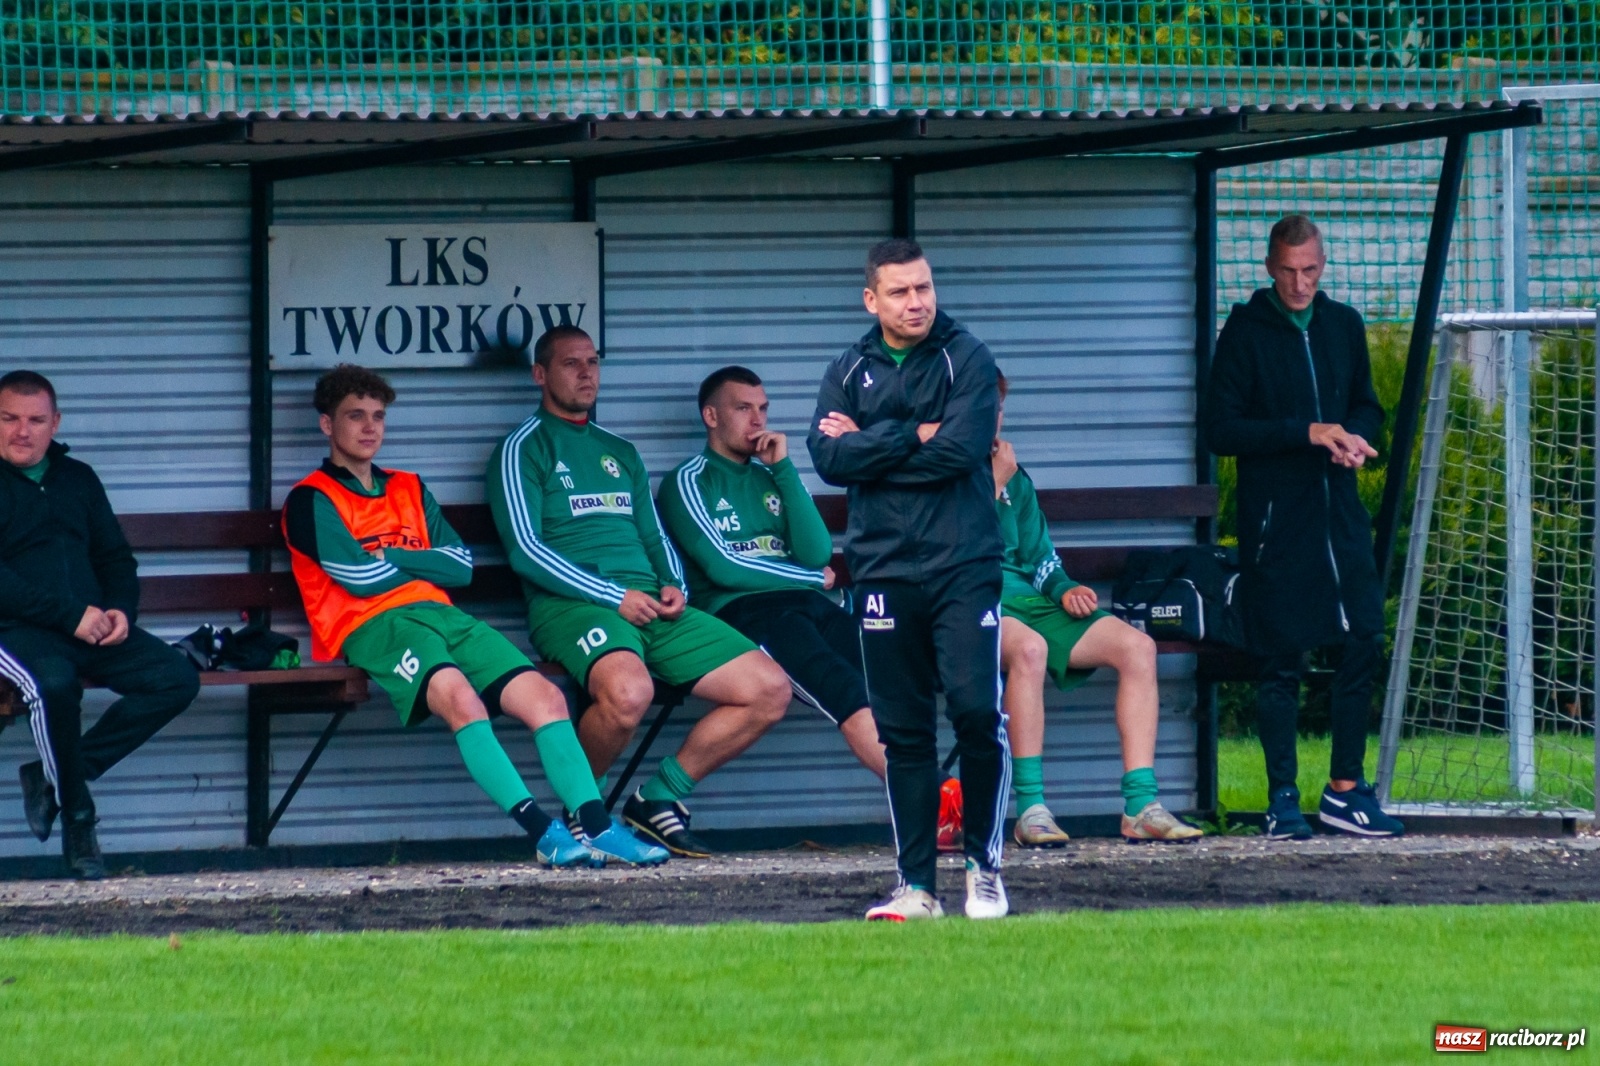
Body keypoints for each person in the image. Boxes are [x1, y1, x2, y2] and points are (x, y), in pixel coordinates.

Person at [284, 363, 666, 868]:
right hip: (374, 626)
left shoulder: (409, 486)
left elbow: (461, 566)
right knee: (463, 700)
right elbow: (356, 579)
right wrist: (420, 564)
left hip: (444, 616)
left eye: (378, 416)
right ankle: (544, 832)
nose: (370, 427)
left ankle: (595, 825)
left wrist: (392, 557)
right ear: (327, 426)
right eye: (355, 416)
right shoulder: (310, 498)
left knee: (546, 698)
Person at [487, 328, 793, 858]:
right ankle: (586, 816)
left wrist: (674, 584)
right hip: (573, 605)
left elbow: (653, 536)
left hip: (652, 605)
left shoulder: (620, 450)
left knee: (768, 689)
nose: (586, 374)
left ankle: (658, 799)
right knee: (630, 693)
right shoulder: (523, 448)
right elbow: (527, 552)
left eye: (593, 363)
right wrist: (611, 595)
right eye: (570, 364)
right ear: (540, 375)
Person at [808, 238, 1011, 921]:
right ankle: (917, 886)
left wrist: (874, 445)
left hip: (964, 567)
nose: (917, 301)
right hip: (884, 569)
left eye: (923, 287)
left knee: (978, 713)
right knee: (904, 732)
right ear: (872, 300)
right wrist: (909, 435)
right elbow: (829, 460)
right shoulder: (848, 366)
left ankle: (984, 868)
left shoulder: (969, 358)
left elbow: (960, 450)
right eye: (900, 292)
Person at [1203, 213, 1403, 840]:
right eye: (1289, 272)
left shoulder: (1343, 324)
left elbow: (1367, 405)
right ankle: (1282, 800)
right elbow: (1222, 429)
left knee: (1362, 638)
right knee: (1280, 659)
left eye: (1310, 270)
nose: (1300, 284)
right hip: (1276, 523)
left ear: (1323, 265)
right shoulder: (1244, 333)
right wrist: (1306, 433)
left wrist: (1356, 439)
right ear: (1269, 267)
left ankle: (1347, 789)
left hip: (1339, 517)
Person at [1, 370, 201, 879]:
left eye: (35, 420)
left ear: (55, 424)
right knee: (55, 685)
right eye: (8, 419)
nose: (22, 431)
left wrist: (119, 612)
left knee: (175, 678)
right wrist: (72, 616)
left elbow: (115, 557)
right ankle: (80, 819)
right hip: (15, 630)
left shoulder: (79, 478)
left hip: (91, 627)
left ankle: (58, 778)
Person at [988, 370, 1202, 846]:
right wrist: (990, 485)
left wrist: (1063, 588)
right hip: (974, 601)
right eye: (981, 407)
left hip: (1029, 602)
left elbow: (1038, 557)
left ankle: (1141, 806)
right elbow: (952, 548)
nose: (992, 419)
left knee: (1137, 647)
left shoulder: (1015, 477)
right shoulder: (944, 471)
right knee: (1029, 651)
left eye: (997, 408)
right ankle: (1031, 810)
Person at [656, 365, 887, 780]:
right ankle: (929, 805)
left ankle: (934, 797)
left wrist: (783, 468)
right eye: (743, 408)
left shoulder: (770, 477)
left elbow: (816, 552)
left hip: (806, 604)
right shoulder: (690, 480)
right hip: (744, 612)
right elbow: (723, 567)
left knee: (885, 676)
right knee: (842, 688)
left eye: (763, 408)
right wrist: (812, 579)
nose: (758, 420)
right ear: (711, 417)